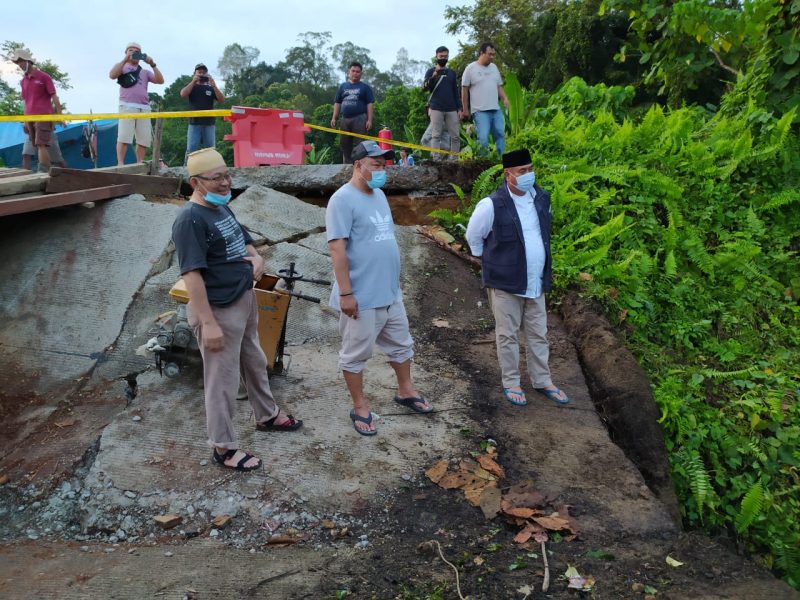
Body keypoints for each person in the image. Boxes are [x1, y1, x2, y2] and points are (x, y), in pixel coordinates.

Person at [171, 148, 303, 471]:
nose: (225, 182)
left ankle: (266, 415)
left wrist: (257, 259)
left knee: (255, 362)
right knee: (221, 381)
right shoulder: (190, 220)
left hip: (243, 300)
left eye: (227, 175)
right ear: (195, 182)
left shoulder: (222, 209)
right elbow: (192, 276)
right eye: (216, 178)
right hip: (218, 310)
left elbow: (245, 242)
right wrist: (208, 323)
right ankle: (223, 447)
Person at [326, 140, 432, 435]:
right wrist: (346, 293)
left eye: (384, 165)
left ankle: (406, 390)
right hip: (362, 296)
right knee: (355, 354)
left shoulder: (380, 195)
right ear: (358, 165)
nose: (382, 170)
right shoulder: (341, 200)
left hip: (389, 293)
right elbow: (337, 249)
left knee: (401, 345)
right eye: (376, 165)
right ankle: (360, 406)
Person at [465, 148, 570, 407]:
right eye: (522, 171)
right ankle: (511, 382)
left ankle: (542, 380)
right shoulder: (492, 204)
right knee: (507, 334)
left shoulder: (541, 198)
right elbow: (473, 237)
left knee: (538, 333)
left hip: (535, 281)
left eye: (530, 169)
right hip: (505, 282)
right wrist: (492, 262)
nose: (528, 175)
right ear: (507, 174)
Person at [108, 42, 164, 166]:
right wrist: (125, 60)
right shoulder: (121, 66)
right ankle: (121, 163)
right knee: (124, 136)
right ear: (126, 52)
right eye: (130, 50)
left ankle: (139, 163)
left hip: (144, 107)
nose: (133, 52)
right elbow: (112, 75)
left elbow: (160, 81)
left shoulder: (144, 71)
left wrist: (152, 64)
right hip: (127, 105)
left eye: (136, 51)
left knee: (143, 139)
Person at [11, 48, 63, 173]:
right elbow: (25, 102)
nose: (19, 64)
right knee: (36, 146)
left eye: (21, 61)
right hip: (30, 117)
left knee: (41, 145)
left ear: (28, 61)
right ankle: (47, 171)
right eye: (17, 62)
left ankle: (44, 171)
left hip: (44, 116)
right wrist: (25, 121)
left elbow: (54, 96)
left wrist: (60, 116)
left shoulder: (44, 77)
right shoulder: (23, 81)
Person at [460, 42, 509, 156]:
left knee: (500, 134)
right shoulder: (470, 68)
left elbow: (498, 86)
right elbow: (464, 89)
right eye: (489, 54)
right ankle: (483, 164)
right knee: (483, 139)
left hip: (495, 109)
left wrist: (505, 98)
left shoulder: (494, 68)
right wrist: (465, 109)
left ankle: (501, 159)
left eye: (493, 55)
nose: (492, 57)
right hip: (480, 111)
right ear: (481, 53)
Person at [330, 62, 375, 164]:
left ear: (361, 74)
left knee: (362, 144)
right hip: (345, 119)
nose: (355, 73)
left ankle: (362, 165)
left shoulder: (365, 87)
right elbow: (337, 103)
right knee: (345, 144)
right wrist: (334, 118)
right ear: (348, 72)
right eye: (353, 71)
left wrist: (369, 120)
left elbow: (370, 104)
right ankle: (347, 166)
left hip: (360, 118)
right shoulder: (343, 86)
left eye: (358, 72)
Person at [422, 46, 461, 160]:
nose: (443, 58)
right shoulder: (430, 71)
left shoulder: (452, 73)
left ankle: (454, 160)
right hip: (436, 107)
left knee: (455, 136)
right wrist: (433, 77)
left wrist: (459, 108)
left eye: (445, 56)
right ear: (436, 56)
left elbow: (455, 91)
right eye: (441, 56)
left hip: (451, 108)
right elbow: (424, 88)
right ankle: (436, 158)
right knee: (436, 135)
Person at [179, 63, 224, 159]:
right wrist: (193, 82)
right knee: (191, 149)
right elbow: (183, 94)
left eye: (204, 73)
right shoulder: (191, 86)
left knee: (210, 149)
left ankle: (211, 170)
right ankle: (187, 169)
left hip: (209, 123)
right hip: (194, 122)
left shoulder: (210, 88)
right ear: (194, 74)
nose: (202, 74)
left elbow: (221, 100)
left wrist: (214, 86)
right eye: (199, 72)